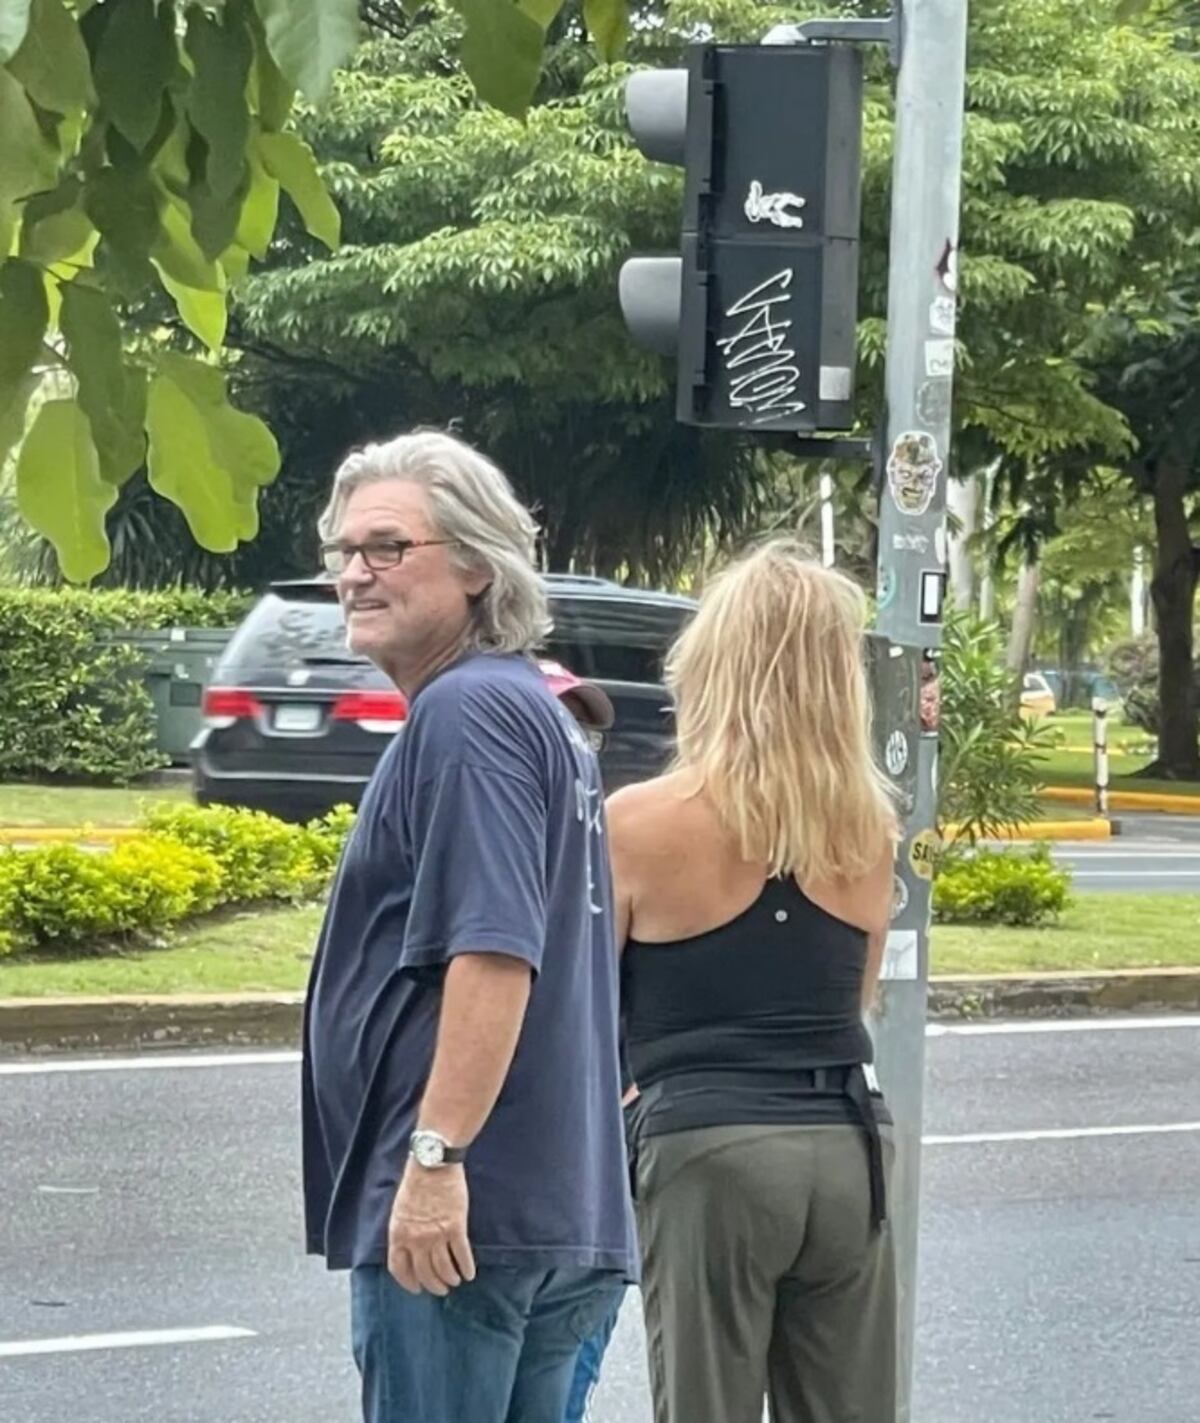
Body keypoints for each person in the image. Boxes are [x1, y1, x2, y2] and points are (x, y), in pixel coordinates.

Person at [301, 429, 637, 1423]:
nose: (356, 574)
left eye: (388, 548)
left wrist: (436, 1160)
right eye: (344, 552)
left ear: (479, 564)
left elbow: (494, 952)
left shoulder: (469, 715)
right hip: (548, 1210)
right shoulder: (531, 708)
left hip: (472, 1226)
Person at [608, 538, 900, 1423]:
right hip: (849, 1145)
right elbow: (859, 994)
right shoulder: (868, 825)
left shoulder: (639, 821)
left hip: (709, 1145)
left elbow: (584, 1013)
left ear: (711, 667)